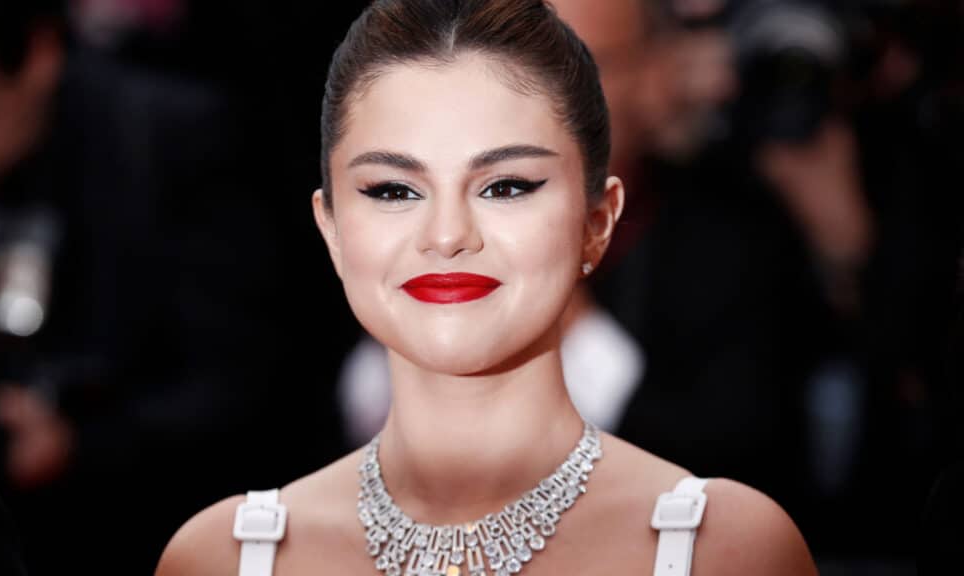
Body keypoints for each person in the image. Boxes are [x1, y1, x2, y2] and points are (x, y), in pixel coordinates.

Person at [156, 1, 817, 574]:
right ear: (330, 227)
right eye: (392, 190)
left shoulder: (725, 547)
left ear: (597, 221)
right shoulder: (224, 556)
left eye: (506, 186)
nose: (446, 235)